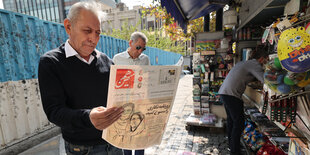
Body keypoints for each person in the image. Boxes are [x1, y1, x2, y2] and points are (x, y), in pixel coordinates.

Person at [38, 1, 124, 154]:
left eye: (97, 32)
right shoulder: (51, 62)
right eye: (87, 30)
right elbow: (54, 112)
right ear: (68, 27)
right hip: (83, 149)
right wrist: (89, 117)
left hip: (115, 143)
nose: (94, 38)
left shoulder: (107, 61)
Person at [218, 46, 269, 155]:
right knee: (239, 123)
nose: (265, 63)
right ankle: (235, 150)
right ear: (261, 58)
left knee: (232, 121)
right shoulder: (254, 64)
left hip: (225, 92)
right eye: (266, 60)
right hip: (231, 94)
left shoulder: (245, 63)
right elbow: (265, 80)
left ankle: (232, 146)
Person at [113, 31, 149, 155]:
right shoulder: (117, 59)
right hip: (125, 104)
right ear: (130, 43)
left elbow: (148, 80)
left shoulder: (145, 60)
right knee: (127, 136)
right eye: (138, 47)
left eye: (143, 49)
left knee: (140, 136)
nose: (140, 52)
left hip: (140, 102)